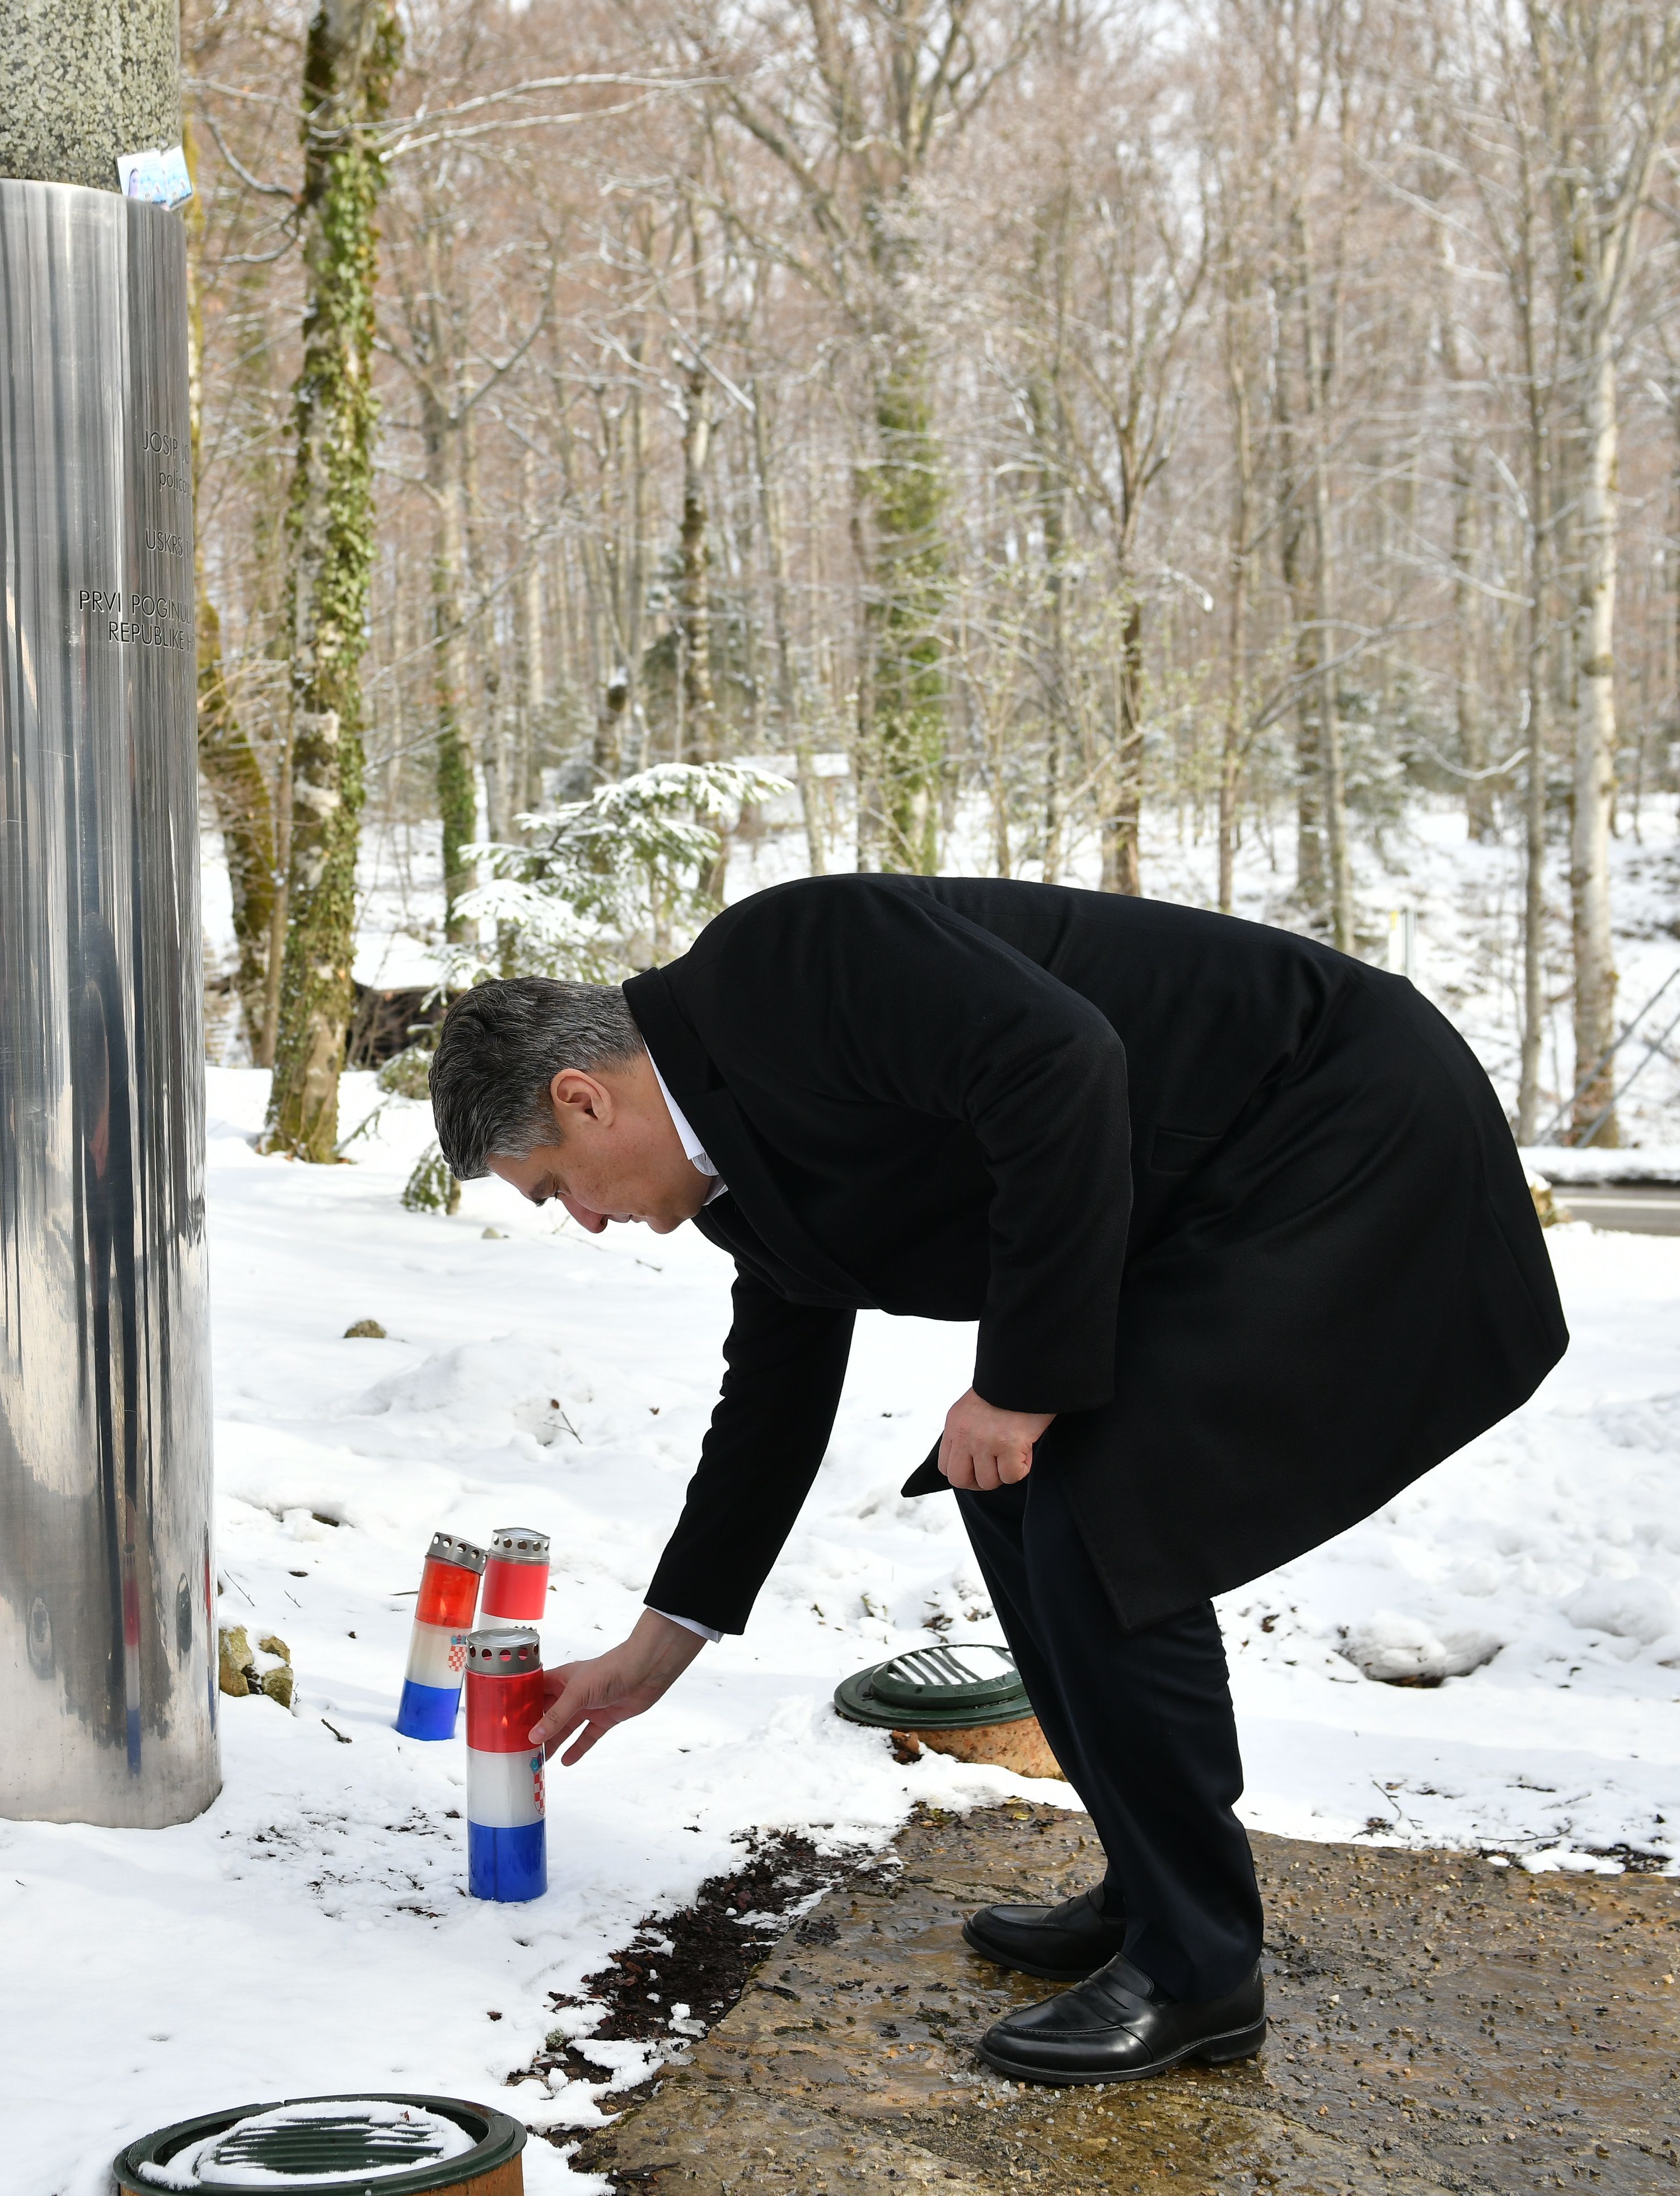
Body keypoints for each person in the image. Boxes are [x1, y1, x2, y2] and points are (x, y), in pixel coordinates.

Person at [427, 874, 1566, 2086]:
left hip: (1338, 1114)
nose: (584, 1222)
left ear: (583, 1097)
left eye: (555, 1188)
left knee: (1103, 1503)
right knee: (1015, 1487)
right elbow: (770, 1405)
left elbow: (1060, 1059)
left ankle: (1201, 1968)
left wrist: (1020, 1383)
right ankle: (1150, 1884)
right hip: (1199, 1191)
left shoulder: (787, 960)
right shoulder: (738, 1181)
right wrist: (660, 1647)